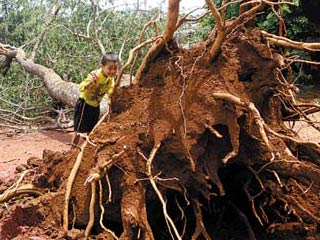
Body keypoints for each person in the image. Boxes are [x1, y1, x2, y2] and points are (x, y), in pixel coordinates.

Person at [71, 53, 119, 147]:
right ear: (102, 66)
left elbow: (111, 91)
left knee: (91, 131)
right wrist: (90, 83)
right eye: (110, 68)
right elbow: (80, 87)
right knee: (78, 131)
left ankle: (87, 151)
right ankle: (71, 150)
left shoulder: (110, 79)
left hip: (95, 106)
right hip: (84, 104)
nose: (113, 71)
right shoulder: (95, 75)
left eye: (115, 68)